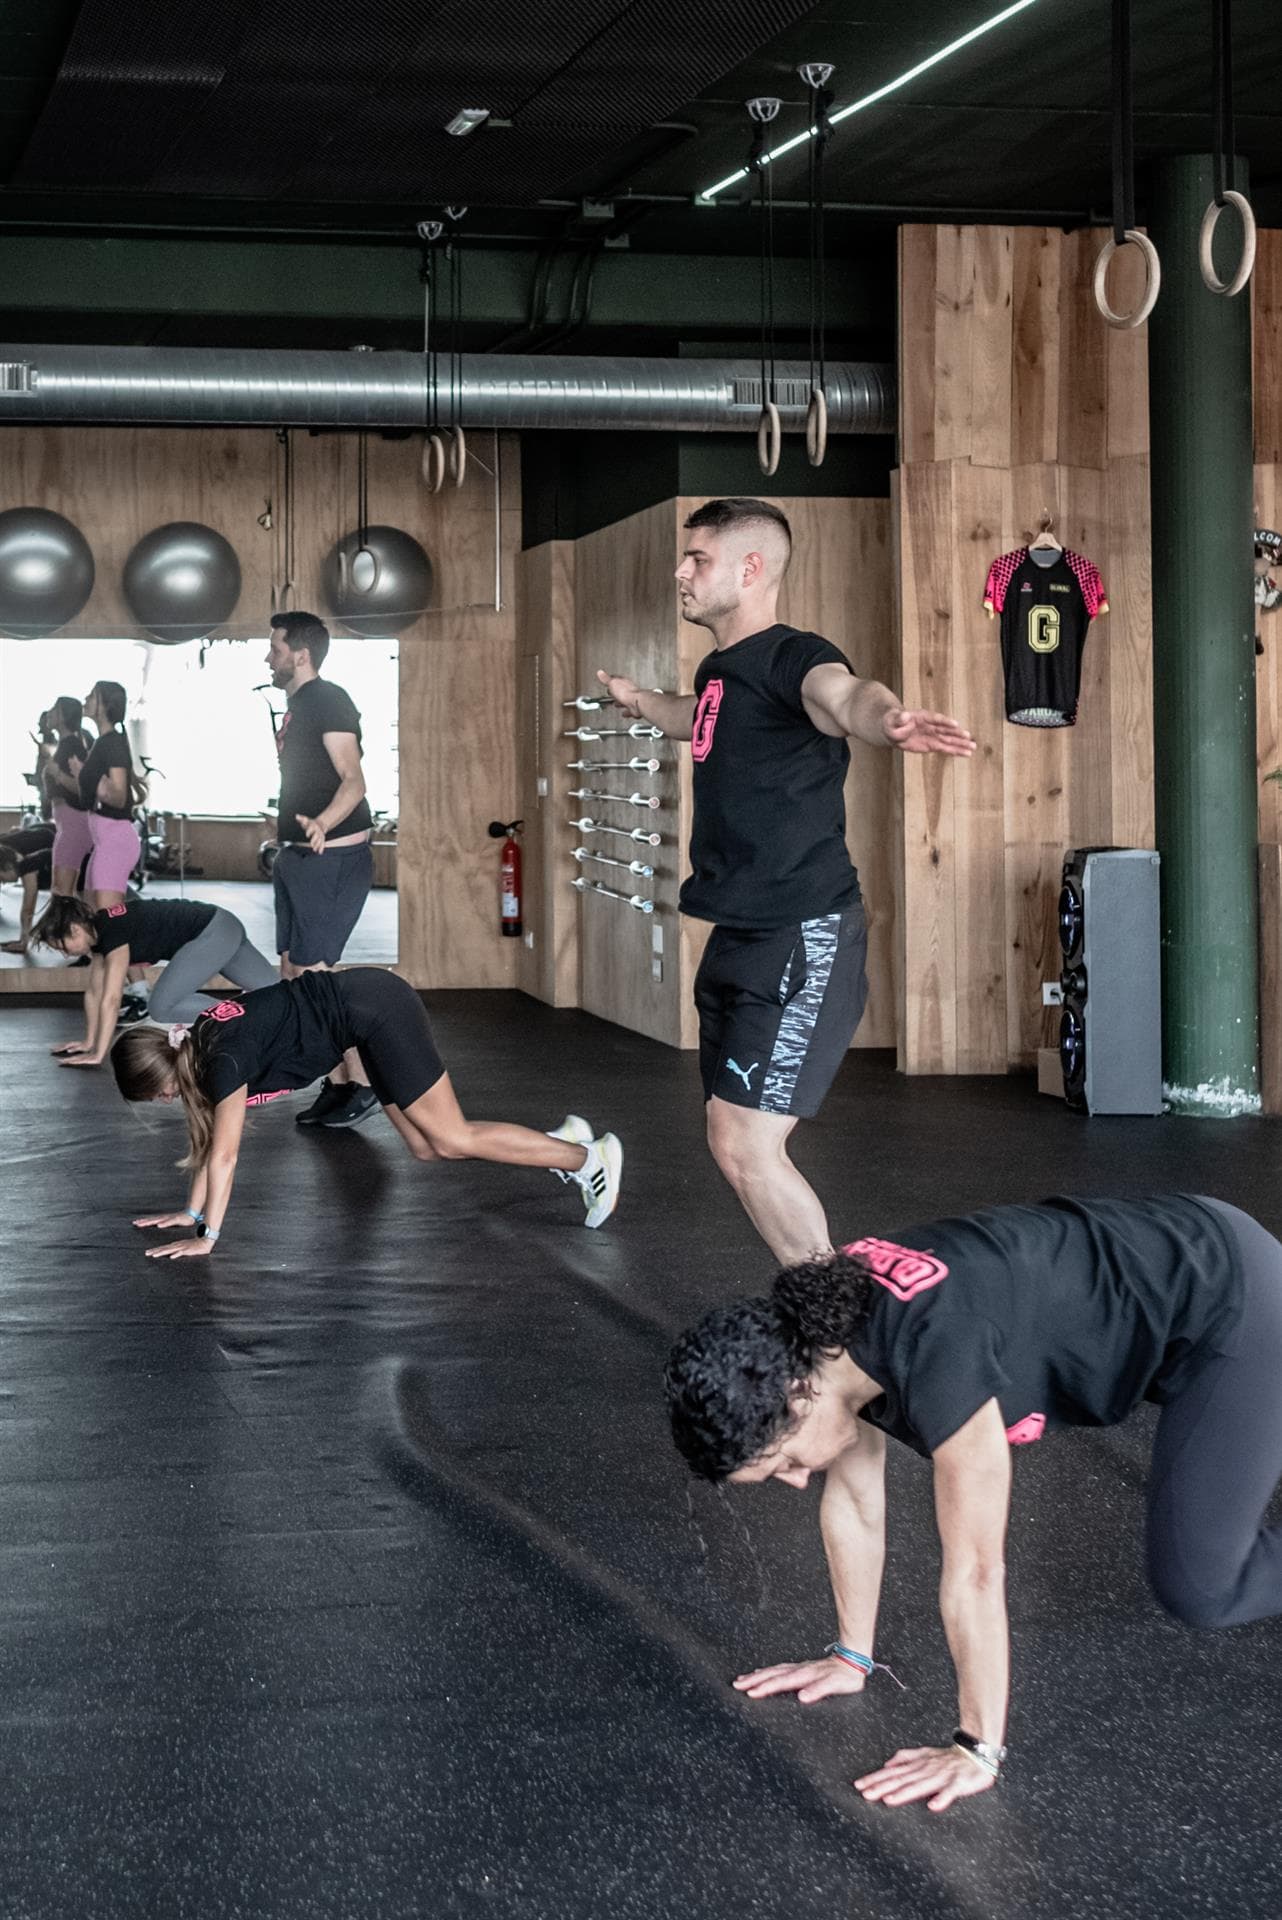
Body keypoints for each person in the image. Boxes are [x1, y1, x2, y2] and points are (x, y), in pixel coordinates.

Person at [665, 1193, 1282, 1812]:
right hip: (1170, 1263)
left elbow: (978, 1571)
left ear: (798, 1397)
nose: (798, 1481)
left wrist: (975, 1748)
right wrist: (852, 1658)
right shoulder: (821, 1335)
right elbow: (855, 1504)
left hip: (1230, 1296)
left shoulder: (938, 1354)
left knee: (1204, 1585)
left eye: (786, 1462)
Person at [597, 498, 975, 1266]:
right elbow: (693, 718)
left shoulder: (794, 656)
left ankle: (839, 1329)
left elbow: (846, 697)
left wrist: (890, 718)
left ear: (751, 568)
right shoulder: (719, 672)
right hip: (741, 933)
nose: (681, 571)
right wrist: (637, 700)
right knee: (730, 1138)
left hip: (803, 932)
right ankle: (832, 1310)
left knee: (745, 1144)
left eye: (696, 558)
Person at [111, 968, 622, 1251]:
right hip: (359, 1018)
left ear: (161, 1080)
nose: (166, 1103)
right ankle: (563, 1144)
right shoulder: (196, 1046)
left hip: (376, 1010)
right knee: (425, 1147)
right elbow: (207, 1139)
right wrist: (190, 1211)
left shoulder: (220, 1061)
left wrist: (209, 1236)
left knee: (452, 1137)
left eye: (158, 1097)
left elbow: (224, 1155)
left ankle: (588, 1160)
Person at [264, 611, 378, 1130]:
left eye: (276, 649)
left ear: (301, 655)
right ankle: (336, 1083)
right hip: (298, 854)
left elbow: (353, 781)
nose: (270, 657)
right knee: (293, 971)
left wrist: (322, 826)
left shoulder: (328, 699)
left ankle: (360, 1082)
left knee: (313, 974)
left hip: (331, 857)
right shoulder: (298, 706)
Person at [34, 893, 277, 1065]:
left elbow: (111, 998)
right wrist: (88, 1041)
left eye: (63, 947)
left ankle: (240, 1017)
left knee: (161, 1007)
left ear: (75, 930)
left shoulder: (112, 932)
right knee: (277, 994)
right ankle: (246, 1018)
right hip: (225, 924)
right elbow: (94, 993)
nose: (66, 954)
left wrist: (99, 1053)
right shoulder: (101, 934)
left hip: (212, 932)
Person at [77, 681, 143, 907]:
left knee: (112, 917)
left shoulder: (112, 743)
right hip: (102, 841)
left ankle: (123, 938)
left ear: (104, 705)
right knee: (91, 912)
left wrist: (86, 775)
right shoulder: (102, 742)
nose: (85, 699)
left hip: (115, 841)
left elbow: (118, 797)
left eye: (92, 696)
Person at [38, 694, 95, 901]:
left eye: (54, 709)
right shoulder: (65, 745)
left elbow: (86, 789)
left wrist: (57, 774)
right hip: (66, 822)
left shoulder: (72, 745)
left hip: (75, 823)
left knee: (61, 892)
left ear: (63, 716)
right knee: (62, 891)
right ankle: (68, 933)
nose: (49, 713)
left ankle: (68, 933)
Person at [0, 822, 55, 953]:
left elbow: (28, 906)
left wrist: (23, 941)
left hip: (58, 841)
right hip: (46, 835)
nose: (2, 883)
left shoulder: (24, 863)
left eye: (1, 879)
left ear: (8, 867)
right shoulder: (8, 851)